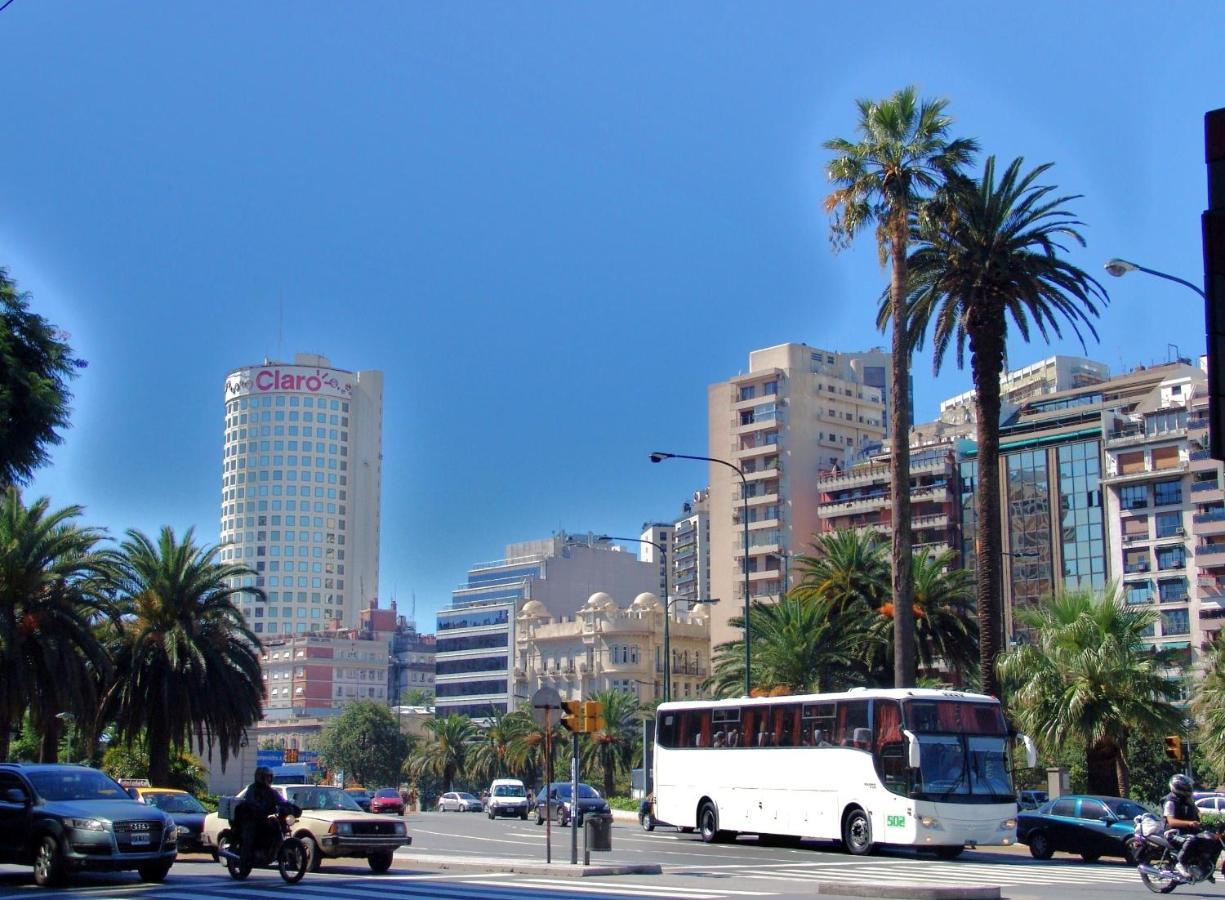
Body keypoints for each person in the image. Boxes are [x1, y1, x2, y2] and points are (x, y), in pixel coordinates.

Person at [236, 766, 282, 866]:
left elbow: (280, 800)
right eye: (267, 777)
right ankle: (245, 860)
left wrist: (290, 806)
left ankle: (269, 852)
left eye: (270, 777)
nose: (269, 779)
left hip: (262, 818)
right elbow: (251, 801)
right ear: (260, 777)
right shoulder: (252, 789)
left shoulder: (271, 791)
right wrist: (258, 807)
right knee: (250, 835)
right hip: (250, 818)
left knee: (273, 826)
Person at [1162, 773, 1202, 879]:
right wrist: (1189, 823)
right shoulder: (1170, 801)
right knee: (1191, 839)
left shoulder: (1187, 800)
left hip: (1186, 831)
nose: (1188, 789)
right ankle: (1181, 862)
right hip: (1172, 833)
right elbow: (1171, 821)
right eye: (1185, 787)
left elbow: (1198, 815)